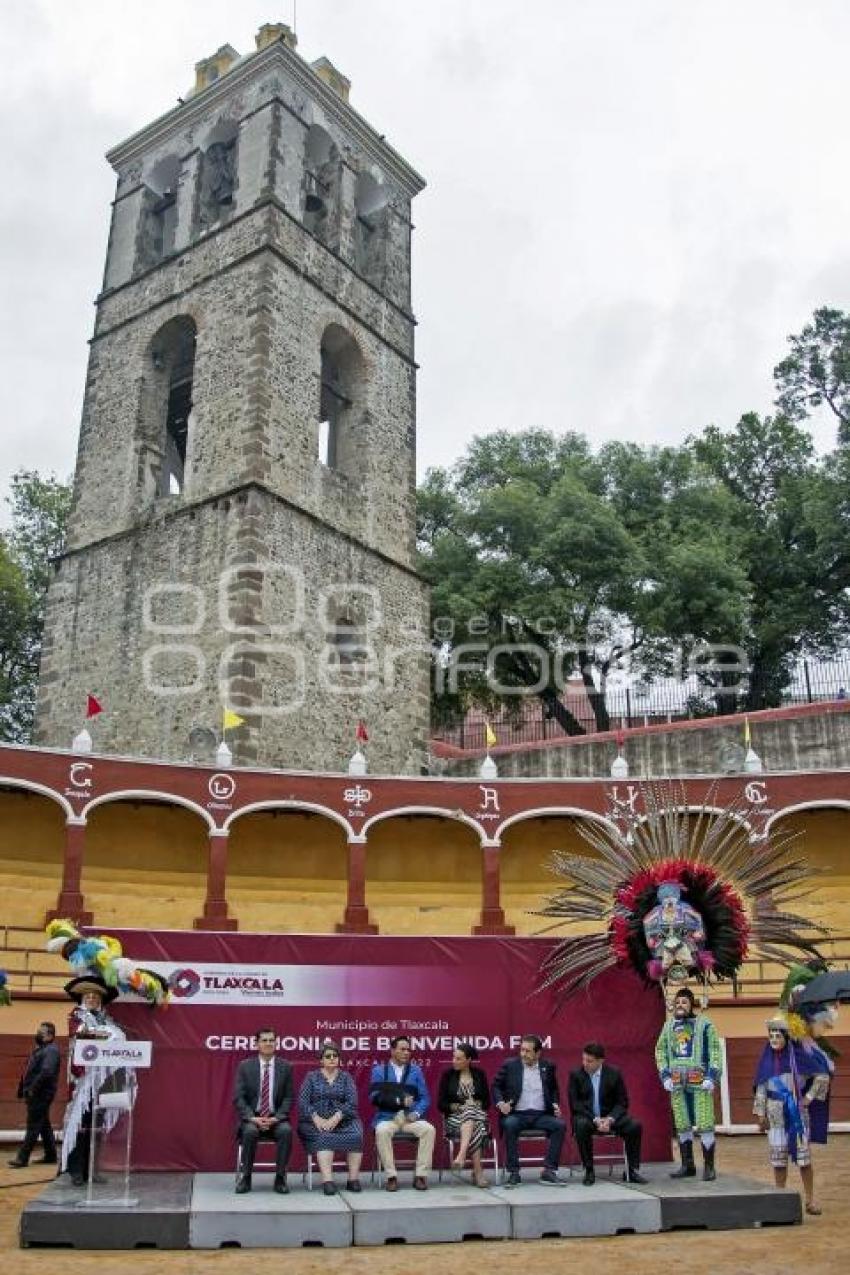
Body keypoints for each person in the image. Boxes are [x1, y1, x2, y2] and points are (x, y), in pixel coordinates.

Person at [753, 1015, 831, 1216]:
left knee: (804, 1159)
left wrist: (808, 1098)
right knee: (779, 1160)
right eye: (771, 1035)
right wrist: (760, 1114)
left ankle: (810, 1200)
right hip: (775, 1114)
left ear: (787, 1037)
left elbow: (822, 1075)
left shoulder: (798, 1058)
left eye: (778, 1035)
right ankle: (780, 1198)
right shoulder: (766, 1059)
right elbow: (761, 1087)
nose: (774, 1039)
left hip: (796, 1112)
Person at [62, 975, 125, 1186]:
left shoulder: (107, 1020)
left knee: (95, 1127)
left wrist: (109, 1034)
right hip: (83, 1081)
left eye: (95, 996)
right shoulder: (76, 1018)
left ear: (100, 1000)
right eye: (87, 996)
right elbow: (82, 1035)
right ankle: (76, 1171)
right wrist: (104, 1035)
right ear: (82, 999)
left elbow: (117, 1037)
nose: (91, 999)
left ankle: (92, 1170)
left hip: (102, 1080)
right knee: (79, 1124)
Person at [655, 986, 722, 1181]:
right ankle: (687, 1165)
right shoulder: (668, 1027)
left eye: (684, 1002)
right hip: (676, 1082)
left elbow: (715, 1051)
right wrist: (665, 1075)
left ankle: (709, 1167)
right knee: (682, 1124)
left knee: (705, 1122)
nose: (680, 1005)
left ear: (692, 1004)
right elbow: (660, 1051)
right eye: (677, 1002)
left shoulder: (704, 1024)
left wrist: (712, 1076)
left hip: (700, 1081)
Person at [567, 1042, 647, 1186]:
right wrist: (595, 1119)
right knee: (581, 1125)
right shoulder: (576, 1075)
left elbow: (622, 1102)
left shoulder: (614, 1074)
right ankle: (589, 1170)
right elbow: (576, 1104)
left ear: (600, 1061)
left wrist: (610, 1119)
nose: (585, 1064)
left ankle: (631, 1171)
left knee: (634, 1126)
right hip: (588, 1118)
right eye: (583, 1059)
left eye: (589, 1061)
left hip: (610, 1118)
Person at [492, 1034, 566, 1185]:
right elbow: (495, 1086)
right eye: (522, 1050)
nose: (523, 1054)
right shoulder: (510, 1065)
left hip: (541, 1115)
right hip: (517, 1114)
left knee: (560, 1125)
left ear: (538, 1053)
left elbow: (553, 1090)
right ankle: (514, 1172)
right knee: (510, 1124)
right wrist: (501, 1103)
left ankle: (549, 1170)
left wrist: (555, 1104)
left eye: (527, 1051)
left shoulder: (548, 1066)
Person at [369, 1035, 435, 1191]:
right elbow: (374, 1097)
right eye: (402, 1049)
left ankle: (420, 1176)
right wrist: (398, 1101)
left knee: (429, 1129)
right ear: (392, 1051)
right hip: (387, 1118)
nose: (407, 1052)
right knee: (382, 1131)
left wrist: (417, 1114)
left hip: (409, 1119)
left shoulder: (416, 1071)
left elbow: (425, 1098)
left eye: (408, 1049)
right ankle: (391, 1177)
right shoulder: (379, 1070)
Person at [297, 1040, 364, 1195]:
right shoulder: (311, 1077)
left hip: (343, 1120)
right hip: (314, 1122)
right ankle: (328, 1181)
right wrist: (315, 1118)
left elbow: (352, 1102)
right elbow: (302, 1101)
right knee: (323, 1137)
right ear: (321, 1060)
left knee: (357, 1135)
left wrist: (336, 1117)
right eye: (328, 1056)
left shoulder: (347, 1077)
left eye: (335, 1055)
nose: (332, 1058)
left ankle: (352, 1180)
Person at [233, 1028, 293, 1194]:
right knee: (250, 1132)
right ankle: (246, 1178)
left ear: (276, 1043)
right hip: (252, 1118)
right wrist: (252, 1118)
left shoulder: (286, 1067)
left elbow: (289, 1098)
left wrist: (278, 1118)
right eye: (264, 1040)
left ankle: (280, 1178)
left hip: (276, 1119)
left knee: (286, 1131)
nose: (268, 1043)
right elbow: (239, 1098)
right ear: (257, 1043)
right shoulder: (245, 1066)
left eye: (271, 1040)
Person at [437, 1042, 492, 1187]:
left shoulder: (480, 1074)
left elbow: (487, 1102)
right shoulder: (447, 1075)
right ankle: (478, 1172)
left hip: (478, 1114)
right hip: (455, 1120)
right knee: (478, 1127)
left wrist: (475, 1104)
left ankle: (461, 1155)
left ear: (468, 1060)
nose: (454, 1061)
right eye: (454, 1058)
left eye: (459, 1058)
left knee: (472, 1113)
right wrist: (458, 1106)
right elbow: (441, 1104)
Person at [8, 1021, 60, 1169]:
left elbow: (47, 1072)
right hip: (36, 1093)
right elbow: (29, 1070)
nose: (37, 1033)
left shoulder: (50, 1051)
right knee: (43, 1124)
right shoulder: (42, 1049)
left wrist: (32, 1089)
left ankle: (22, 1158)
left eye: (41, 1032)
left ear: (50, 1036)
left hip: (40, 1094)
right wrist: (22, 1089)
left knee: (33, 1126)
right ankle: (51, 1155)